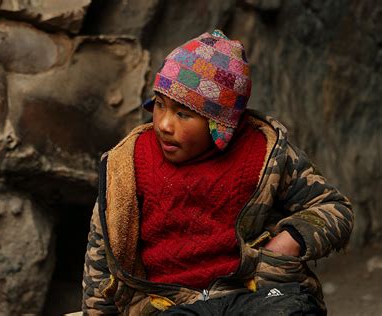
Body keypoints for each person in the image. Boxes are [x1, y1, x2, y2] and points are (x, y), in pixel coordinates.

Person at [81, 29, 353, 315]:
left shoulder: (265, 154)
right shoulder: (129, 164)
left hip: (252, 293)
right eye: (160, 105)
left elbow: (335, 208)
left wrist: (289, 242)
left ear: (220, 124)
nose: (164, 124)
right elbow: (101, 255)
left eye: (183, 114)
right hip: (169, 303)